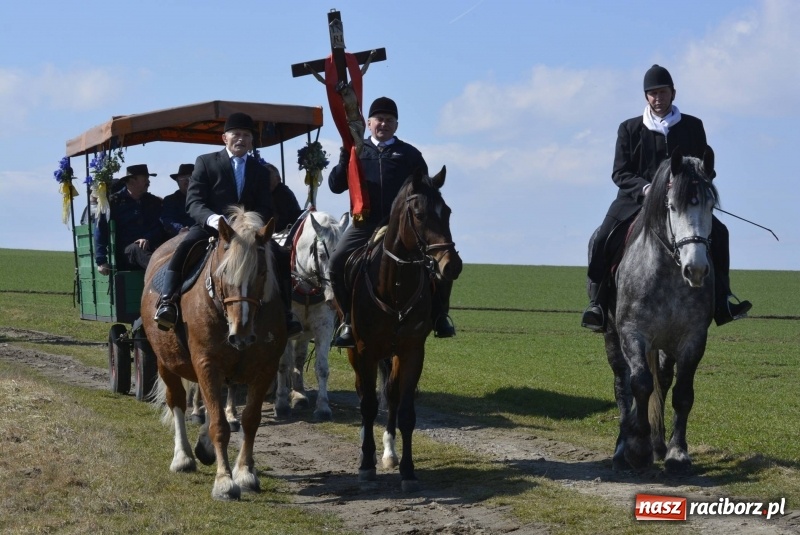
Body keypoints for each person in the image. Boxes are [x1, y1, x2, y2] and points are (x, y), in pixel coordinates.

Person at [581, 65, 752, 331]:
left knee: (720, 234)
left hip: (683, 203)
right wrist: (647, 189)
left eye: (662, 92)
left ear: (673, 93)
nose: (657, 98)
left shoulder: (693, 126)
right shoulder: (629, 128)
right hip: (636, 199)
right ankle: (598, 304)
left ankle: (723, 300)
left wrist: (695, 183)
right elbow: (620, 172)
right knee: (603, 237)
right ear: (646, 97)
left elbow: (705, 168)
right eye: (652, 94)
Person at [152, 112, 302, 336]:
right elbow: (194, 201)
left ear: (252, 141)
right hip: (211, 228)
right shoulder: (206, 162)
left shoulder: (260, 171)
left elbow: (265, 206)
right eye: (236, 134)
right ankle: (167, 302)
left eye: (246, 135)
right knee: (184, 248)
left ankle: (286, 313)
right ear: (225, 138)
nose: (241, 139)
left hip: (247, 234)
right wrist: (213, 219)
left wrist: (250, 223)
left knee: (280, 256)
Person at [328, 96, 455, 348]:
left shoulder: (409, 154)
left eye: (389, 120)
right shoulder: (357, 150)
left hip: (403, 229)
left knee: (440, 264)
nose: (383, 124)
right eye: (379, 120)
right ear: (370, 123)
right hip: (364, 224)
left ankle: (440, 317)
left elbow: (425, 192)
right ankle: (346, 322)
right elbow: (335, 186)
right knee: (335, 262)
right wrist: (345, 156)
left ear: (396, 125)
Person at [94, 164, 164, 275]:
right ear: (131, 181)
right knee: (136, 249)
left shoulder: (153, 202)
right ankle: (162, 273)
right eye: (145, 179)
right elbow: (101, 230)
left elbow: (160, 226)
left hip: (151, 248)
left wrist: (147, 238)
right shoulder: (114, 203)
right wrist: (101, 261)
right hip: (125, 253)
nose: (148, 182)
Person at [160, 163, 195, 238]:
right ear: (177, 181)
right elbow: (167, 219)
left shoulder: (206, 197)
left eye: (190, 177)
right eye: (182, 178)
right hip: (181, 237)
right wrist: (180, 229)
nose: (186, 180)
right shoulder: (170, 200)